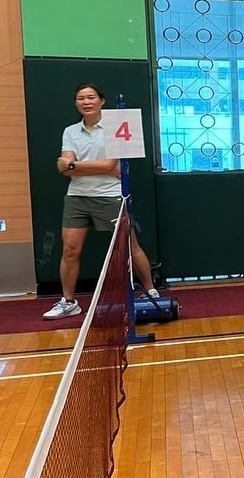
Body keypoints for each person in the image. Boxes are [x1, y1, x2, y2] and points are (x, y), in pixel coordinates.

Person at [46, 83, 161, 321]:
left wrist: (75, 165)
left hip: (111, 195)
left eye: (91, 97)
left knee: (130, 247)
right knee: (70, 250)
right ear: (76, 103)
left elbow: (109, 165)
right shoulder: (70, 131)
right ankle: (69, 302)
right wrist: (87, 167)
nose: (86, 102)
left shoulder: (115, 126)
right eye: (81, 98)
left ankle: (151, 292)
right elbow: (64, 168)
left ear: (101, 101)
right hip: (77, 197)